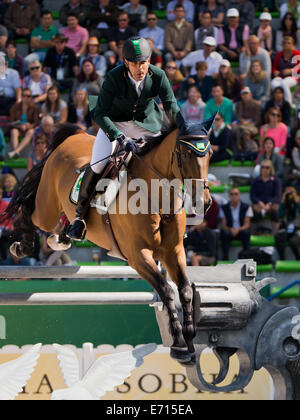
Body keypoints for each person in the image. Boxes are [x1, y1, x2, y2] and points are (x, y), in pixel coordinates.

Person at [67, 36, 182, 240]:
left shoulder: (159, 75)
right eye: (136, 63)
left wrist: (184, 128)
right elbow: (99, 113)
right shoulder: (113, 77)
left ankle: (177, 212)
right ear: (126, 62)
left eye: (144, 62)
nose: (141, 68)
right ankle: (80, 217)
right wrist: (118, 137)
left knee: (167, 158)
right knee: (98, 164)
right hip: (115, 123)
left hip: (145, 125)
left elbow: (171, 106)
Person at [219, 187, 252, 261]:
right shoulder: (224, 208)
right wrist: (231, 229)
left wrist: (238, 229)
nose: (234, 196)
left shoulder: (246, 207)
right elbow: (223, 225)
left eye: (236, 194)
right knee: (225, 233)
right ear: (229, 195)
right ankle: (225, 257)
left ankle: (246, 256)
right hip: (229, 231)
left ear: (239, 195)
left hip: (241, 230)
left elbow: (247, 224)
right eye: (232, 194)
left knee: (246, 233)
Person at [250, 159, 282, 233]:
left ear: (271, 169)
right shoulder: (255, 181)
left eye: (267, 167)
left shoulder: (276, 181)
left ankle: (275, 234)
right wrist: (260, 203)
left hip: (272, 203)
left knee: (275, 211)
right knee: (254, 212)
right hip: (259, 203)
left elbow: (277, 196)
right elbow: (252, 196)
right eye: (263, 167)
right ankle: (252, 234)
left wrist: (269, 204)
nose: (265, 169)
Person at [8, 88, 39, 159]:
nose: (26, 98)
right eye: (24, 95)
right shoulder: (15, 106)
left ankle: (16, 151)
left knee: (31, 132)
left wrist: (29, 126)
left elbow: (36, 122)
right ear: (21, 96)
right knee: (14, 131)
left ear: (31, 97)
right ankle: (16, 152)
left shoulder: (34, 107)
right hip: (18, 129)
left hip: (28, 130)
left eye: (28, 96)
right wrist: (20, 126)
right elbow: (11, 121)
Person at [271, 36, 300, 104]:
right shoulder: (279, 55)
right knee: (274, 84)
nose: (287, 45)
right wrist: (275, 71)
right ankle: (277, 104)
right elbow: (274, 68)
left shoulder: (297, 54)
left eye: (289, 43)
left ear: (293, 45)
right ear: (283, 45)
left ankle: (288, 105)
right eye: (285, 43)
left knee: (284, 83)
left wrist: (291, 70)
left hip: (293, 77)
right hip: (280, 77)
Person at [275, 186, 300, 260]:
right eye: (287, 193)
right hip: (288, 229)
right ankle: (282, 259)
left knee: (293, 242)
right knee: (278, 238)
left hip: (298, 229)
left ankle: (298, 258)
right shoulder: (284, 204)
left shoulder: (298, 203)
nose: (290, 196)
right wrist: (282, 202)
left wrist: (297, 202)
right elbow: (279, 215)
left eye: (291, 193)